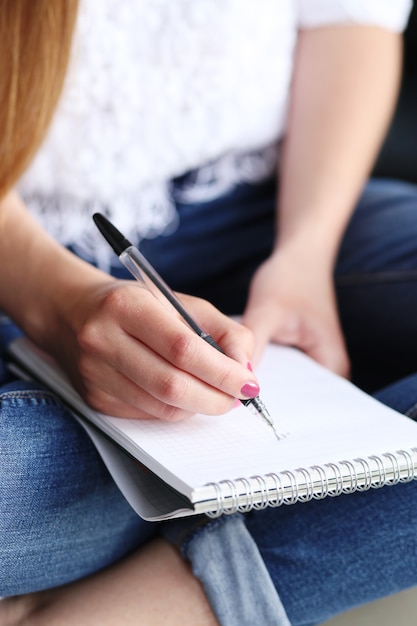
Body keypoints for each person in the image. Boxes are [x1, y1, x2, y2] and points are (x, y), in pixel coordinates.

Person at [1, 1, 417, 624]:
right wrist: (57, 302)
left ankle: (153, 607)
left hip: (275, 200)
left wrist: (304, 254)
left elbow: (351, 19)